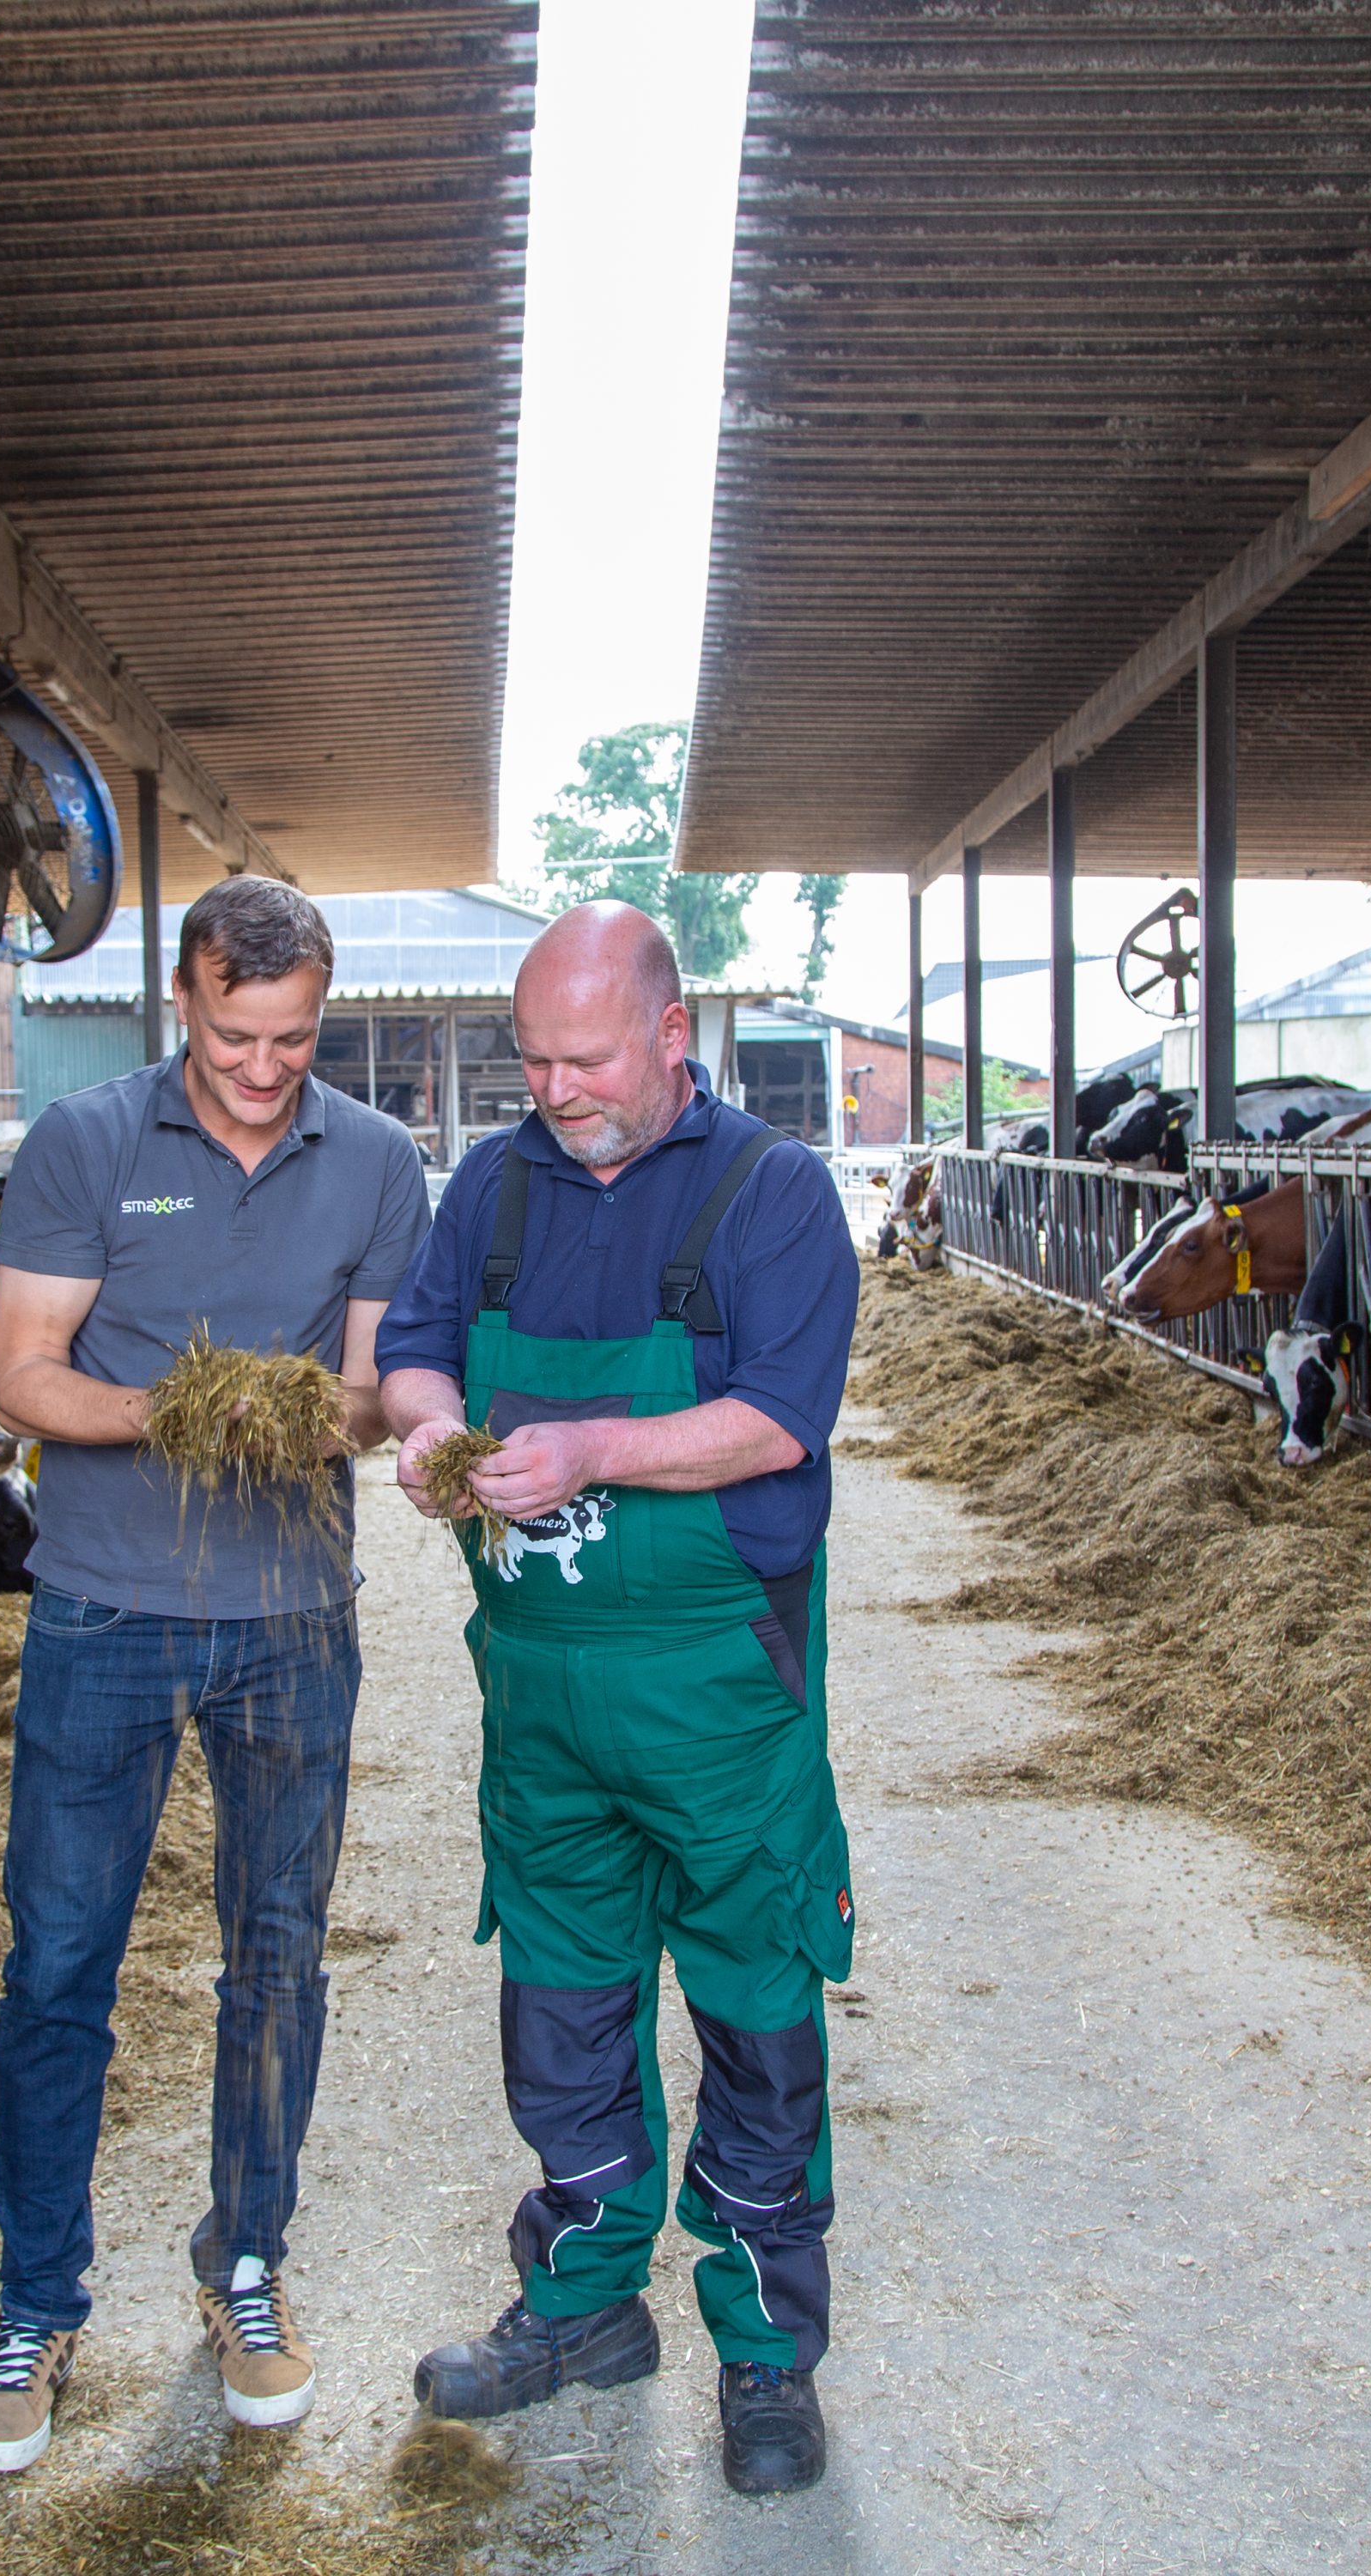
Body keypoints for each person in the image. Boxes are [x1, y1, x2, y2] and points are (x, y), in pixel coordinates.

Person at [378, 902, 863, 2494]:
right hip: (542, 1698)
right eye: (533, 1059)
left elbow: (779, 1419)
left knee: (753, 2008)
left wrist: (588, 1449)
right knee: (564, 2011)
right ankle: (586, 2304)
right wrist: (426, 1425)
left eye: (584, 1057)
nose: (555, 1087)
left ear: (671, 1033)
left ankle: (766, 2347)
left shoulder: (771, 1191)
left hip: (720, 1693)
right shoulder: (497, 1184)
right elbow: (421, 1344)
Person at [0, 873, 429, 2475]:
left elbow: (369, 1395)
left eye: (294, 1038)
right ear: (183, 1000)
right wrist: (187, 1410)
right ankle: (35, 2301)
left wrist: (331, 1414)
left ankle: (244, 2264)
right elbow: (22, 1378)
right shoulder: (86, 1145)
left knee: (278, 1953)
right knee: (61, 1958)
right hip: (104, 1609)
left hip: (294, 1616)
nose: (263, 1067)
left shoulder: (376, 1159)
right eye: (236, 1034)